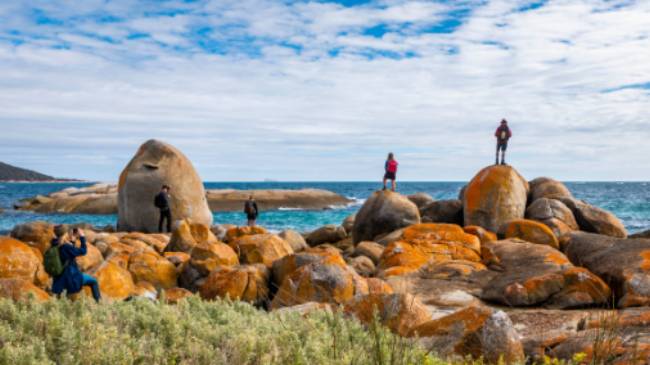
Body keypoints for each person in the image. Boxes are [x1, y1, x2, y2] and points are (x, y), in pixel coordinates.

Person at [49, 226, 101, 302]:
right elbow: (83, 251)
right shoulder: (66, 247)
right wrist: (82, 237)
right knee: (94, 282)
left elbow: (67, 255)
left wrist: (72, 242)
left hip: (58, 281)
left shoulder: (53, 245)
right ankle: (99, 303)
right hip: (71, 279)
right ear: (65, 234)